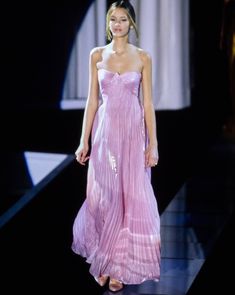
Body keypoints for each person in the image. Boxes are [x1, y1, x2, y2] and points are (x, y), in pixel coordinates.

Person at [72, 0, 161, 292]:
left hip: (134, 135)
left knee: (129, 196)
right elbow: (92, 101)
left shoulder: (143, 57)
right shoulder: (97, 55)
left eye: (123, 19)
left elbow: (147, 102)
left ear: (131, 23)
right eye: (113, 19)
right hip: (106, 134)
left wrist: (154, 143)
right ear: (108, 23)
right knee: (107, 196)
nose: (117, 24)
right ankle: (105, 259)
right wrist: (83, 140)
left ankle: (118, 267)